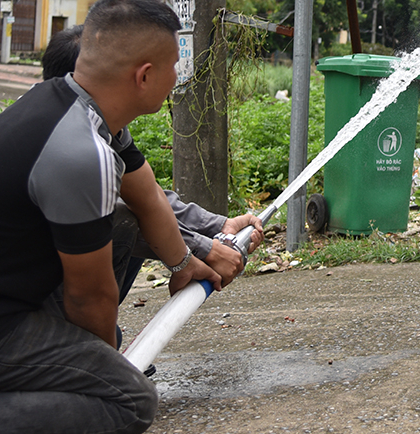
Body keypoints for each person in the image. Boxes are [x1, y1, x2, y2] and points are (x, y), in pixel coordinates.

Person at [0, 0, 220, 434]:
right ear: (144, 76)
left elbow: (147, 199)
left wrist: (185, 262)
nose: (176, 78)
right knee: (127, 402)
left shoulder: (78, 107)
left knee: (124, 223)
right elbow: (90, 298)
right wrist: (98, 373)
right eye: (174, 67)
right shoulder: (79, 153)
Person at [43, 25, 264, 298]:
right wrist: (200, 252)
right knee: (128, 224)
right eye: (168, 66)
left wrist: (217, 227)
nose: (173, 78)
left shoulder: (102, 122)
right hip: (9, 299)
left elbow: (149, 197)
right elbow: (120, 213)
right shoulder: (74, 144)